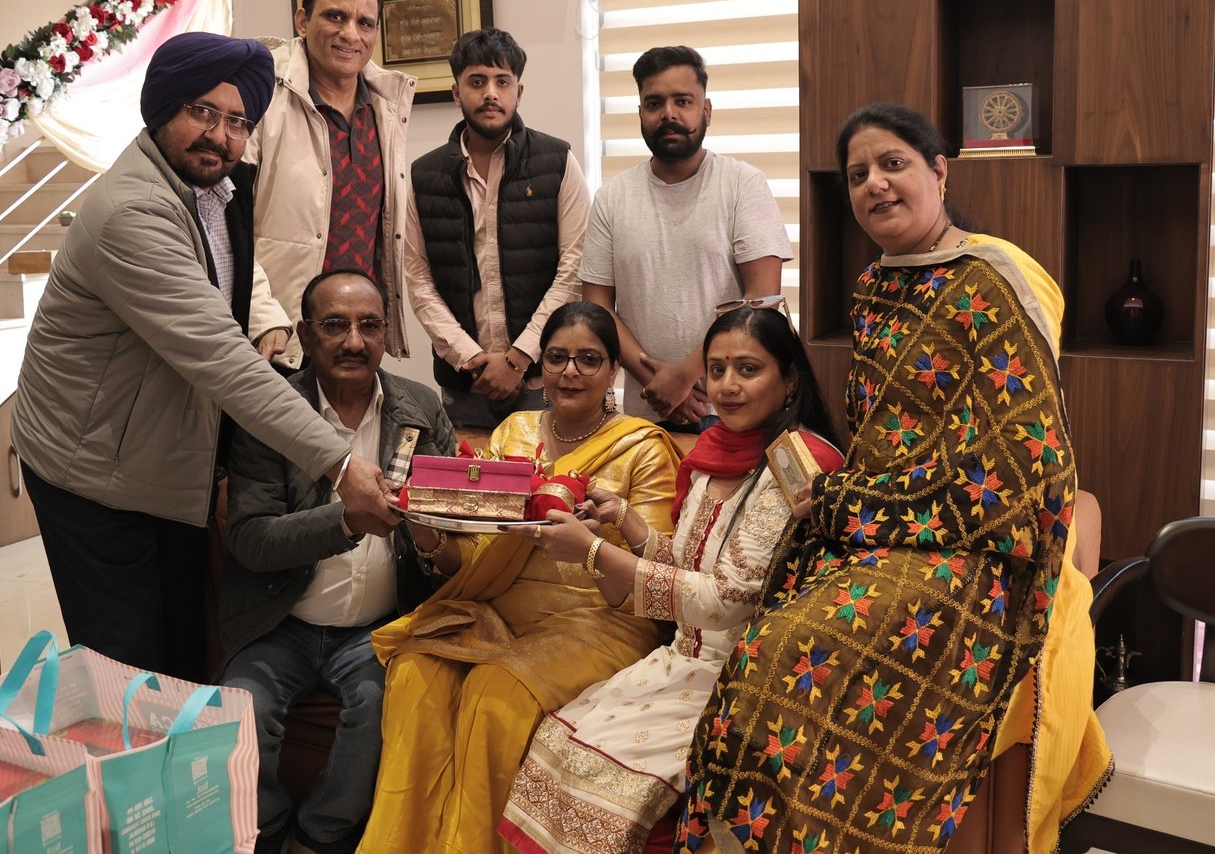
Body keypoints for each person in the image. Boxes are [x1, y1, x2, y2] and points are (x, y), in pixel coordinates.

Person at [678, 103, 1110, 853]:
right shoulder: (876, 290)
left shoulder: (993, 279)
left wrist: (855, 503)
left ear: (938, 171)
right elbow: (885, 444)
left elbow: (1020, 462)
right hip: (883, 525)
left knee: (796, 653)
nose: (874, 184)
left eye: (892, 164)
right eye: (857, 175)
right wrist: (850, 504)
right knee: (765, 643)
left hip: (982, 543)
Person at [11, 32, 394, 683]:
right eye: (203, 112)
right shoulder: (133, 210)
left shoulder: (217, 190)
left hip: (166, 463)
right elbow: (219, 354)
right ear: (163, 108)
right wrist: (339, 462)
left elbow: (233, 297)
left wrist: (268, 327)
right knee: (128, 671)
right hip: (94, 472)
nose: (220, 135)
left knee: (186, 657)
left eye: (238, 121)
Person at [497, 303, 845, 854]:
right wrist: (625, 522)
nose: (728, 386)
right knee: (555, 745)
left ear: (791, 379)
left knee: (613, 785)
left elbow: (726, 601)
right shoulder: (713, 454)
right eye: (716, 369)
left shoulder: (798, 465)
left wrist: (593, 552)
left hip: (745, 678)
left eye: (748, 369)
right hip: (684, 658)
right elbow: (692, 567)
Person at [357, 302, 682, 854]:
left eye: (588, 359)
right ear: (540, 367)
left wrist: (592, 546)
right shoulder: (514, 431)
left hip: (598, 620)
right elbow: (475, 553)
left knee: (496, 692)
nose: (570, 372)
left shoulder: (642, 447)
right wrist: (423, 527)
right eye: (557, 358)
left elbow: (656, 576)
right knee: (415, 673)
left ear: (613, 370)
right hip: (496, 605)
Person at [219, 269, 457, 854]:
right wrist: (346, 522)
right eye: (334, 325)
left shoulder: (420, 408)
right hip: (281, 623)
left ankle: (320, 835)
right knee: (239, 709)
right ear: (304, 334)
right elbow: (250, 539)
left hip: (379, 629)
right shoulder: (273, 410)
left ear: (385, 334)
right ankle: (267, 827)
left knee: (380, 706)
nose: (354, 341)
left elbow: (452, 521)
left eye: (369, 325)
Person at [581, 45, 790, 432]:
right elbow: (597, 307)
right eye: (654, 103)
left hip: (735, 411)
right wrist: (657, 383)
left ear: (706, 110)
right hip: (644, 416)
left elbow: (762, 299)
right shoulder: (611, 198)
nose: (669, 114)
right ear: (640, 114)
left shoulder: (743, 185)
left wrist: (686, 374)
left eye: (683, 101)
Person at [407, 27, 590, 431]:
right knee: (470, 472)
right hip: (464, 384)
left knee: (550, 470)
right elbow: (418, 279)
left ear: (518, 92)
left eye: (502, 81)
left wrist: (519, 357)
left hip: (546, 379)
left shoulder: (558, 161)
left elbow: (574, 271)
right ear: (456, 93)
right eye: (477, 81)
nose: (490, 93)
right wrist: (472, 359)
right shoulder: (424, 175)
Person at [248, 0, 417, 367]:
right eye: (335, 16)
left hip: (357, 337)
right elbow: (225, 223)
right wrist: (263, 317)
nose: (350, 34)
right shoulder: (260, 95)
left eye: (364, 23)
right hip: (278, 334)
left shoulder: (386, 105)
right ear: (303, 21)